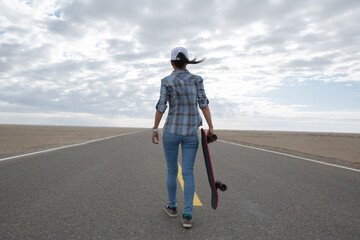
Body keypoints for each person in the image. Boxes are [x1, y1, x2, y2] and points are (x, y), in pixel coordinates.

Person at [152, 47, 214, 228]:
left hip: (171, 132)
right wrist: (210, 126)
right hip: (190, 134)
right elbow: (204, 103)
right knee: (187, 173)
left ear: (172, 63)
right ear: (186, 62)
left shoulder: (166, 81)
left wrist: (155, 128)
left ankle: (172, 207)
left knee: (172, 171)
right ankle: (187, 215)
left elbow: (161, 106)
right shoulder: (197, 80)